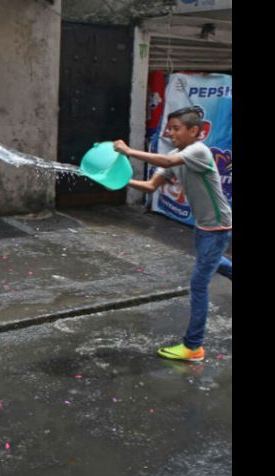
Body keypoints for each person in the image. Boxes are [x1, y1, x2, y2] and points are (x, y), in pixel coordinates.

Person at [114, 105, 232, 362]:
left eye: (176, 129)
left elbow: (167, 161)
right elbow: (149, 186)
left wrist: (128, 151)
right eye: (170, 129)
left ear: (194, 131)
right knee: (212, 262)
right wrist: (118, 179)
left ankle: (193, 347)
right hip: (203, 226)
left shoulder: (197, 151)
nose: (171, 133)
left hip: (218, 227)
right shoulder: (176, 156)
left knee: (199, 283)